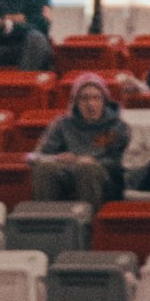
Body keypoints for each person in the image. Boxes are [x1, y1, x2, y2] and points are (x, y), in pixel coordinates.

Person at [28, 75, 130, 204]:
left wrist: (95, 161)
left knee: (85, 167)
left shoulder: (117, 126)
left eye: (96, 98)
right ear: (75, 102)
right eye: (84, 99)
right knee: (45, 167)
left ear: (104, 101)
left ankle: (89, 215)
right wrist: (56, 158)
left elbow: (121, 162)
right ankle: (47, 215)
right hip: (67, 173)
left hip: (104, 177)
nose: (91, 104)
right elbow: (32, 157)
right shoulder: (62, 124)